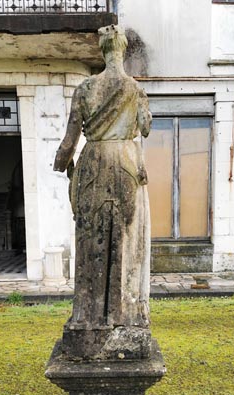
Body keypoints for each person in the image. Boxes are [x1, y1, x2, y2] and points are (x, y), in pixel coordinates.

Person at [54, 24, 152, 359]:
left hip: (93, 163)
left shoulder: (85, 87)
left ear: (102, 49)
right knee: (123, 240)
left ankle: (87, 317)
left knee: (90, 240)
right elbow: (146, 127)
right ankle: (123, 316)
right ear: (123, 50)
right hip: (124, 162)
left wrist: (60, 163)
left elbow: (69, 141)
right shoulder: (134, 88)